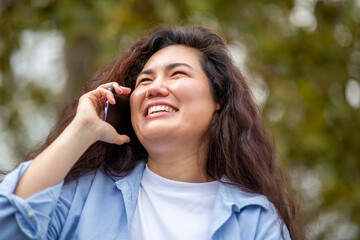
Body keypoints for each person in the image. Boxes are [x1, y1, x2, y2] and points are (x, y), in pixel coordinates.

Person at [0, 26, 300, 239]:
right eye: (144, 81)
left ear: (218, 100)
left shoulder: (254, 219)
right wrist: (80, 131)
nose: (155, 88)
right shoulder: (85, 195)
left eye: (178, 73)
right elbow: (8, 225)